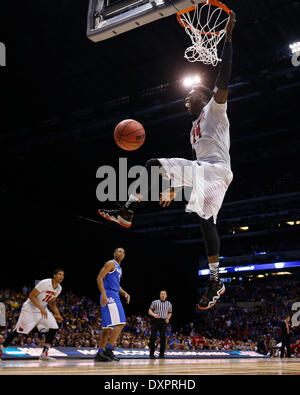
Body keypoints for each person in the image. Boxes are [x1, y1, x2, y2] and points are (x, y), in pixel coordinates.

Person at [98, 11, 237, 310]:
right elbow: (193, 165)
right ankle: (216, 280)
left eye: (189, 96)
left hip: (215, 171)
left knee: (152, 164)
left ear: (203, 96)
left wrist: (227, 37)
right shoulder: (193, 130)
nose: (186, 100)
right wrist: (175, 188)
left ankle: (126, 210)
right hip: (212, 174)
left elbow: (224, 73)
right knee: (205, 221)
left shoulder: (215, 108)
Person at [0, 269, 64, 361]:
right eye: (59, 274)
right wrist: (41, 308)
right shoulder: (45, 283)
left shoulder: (59, 288)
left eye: (63, 275)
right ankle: (1, 349)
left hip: (42, 309)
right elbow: (32, 296)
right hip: (30, 308)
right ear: (54, 275)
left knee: (54, 327)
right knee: (19, 330)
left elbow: (52, 302)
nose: (61, 276)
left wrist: (57, 314)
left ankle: (44, 354)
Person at [94, 247, 130, 362]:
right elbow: (99, 277)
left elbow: (116, 285)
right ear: (114, 253)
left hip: (113, 294)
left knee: (107, 329)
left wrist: (124, 293)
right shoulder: (111, 263)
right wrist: (103, 293)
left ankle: (100, 354)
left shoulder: (119, 268)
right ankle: (108, 350)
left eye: (124, 252)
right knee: (121, 322)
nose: (122, 253)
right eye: (119, 251)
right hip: (110, 295)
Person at [148, 290, 172, 359]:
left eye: (164, 294)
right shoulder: (155, 302)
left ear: (166, 295)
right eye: (161, 294)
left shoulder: (169, 303)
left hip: (163, 321)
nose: (163, 295)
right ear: (160, 295)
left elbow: (170, 312)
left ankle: (161, 354)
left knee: (163, 338)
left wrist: (168, 318)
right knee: (152, 337)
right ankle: (151, 354)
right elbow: (149, 310)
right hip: (155, 321)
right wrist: (153, 314)